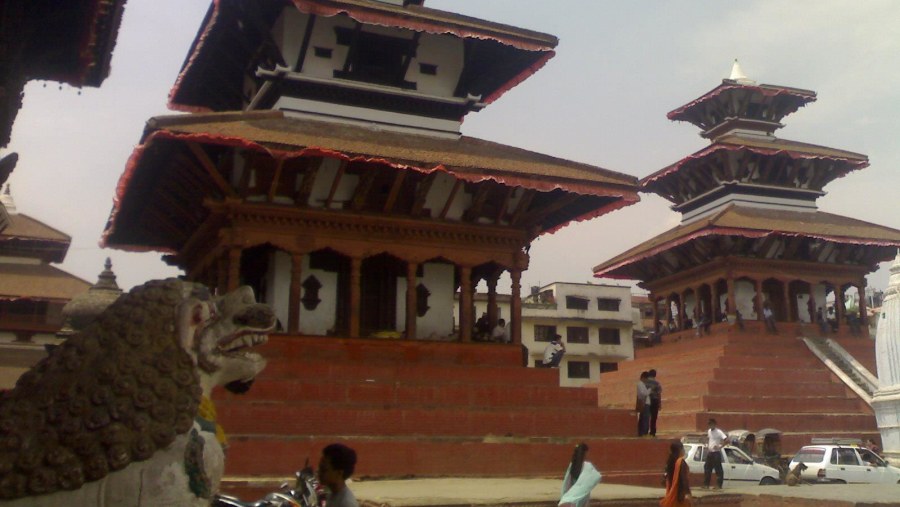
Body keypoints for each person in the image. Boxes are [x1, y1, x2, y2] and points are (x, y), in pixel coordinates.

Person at [559, 443, 602, 507]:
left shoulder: (572, 465)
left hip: (573, 491)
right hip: (583, 492)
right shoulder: (587, 466)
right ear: (585, 453)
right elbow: (597, 476)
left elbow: (568, 481)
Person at [318, 443, 359, 507]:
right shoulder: (332, 494)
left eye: (324, 470)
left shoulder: (346, 503)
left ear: (339, 473)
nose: (319, 473)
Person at [660, 440, 692, 507]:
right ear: (680, 450)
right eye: (683, 448)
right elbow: (684, 479)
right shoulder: (681, 462)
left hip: (671, 493)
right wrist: (687, 493)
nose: (684, 450)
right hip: (680, 494)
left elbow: (664, 478)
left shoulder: (670, 462)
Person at [703, 418, 727, 490]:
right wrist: (707, 445)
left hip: (716, 453)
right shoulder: (709, 431)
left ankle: (719, 485)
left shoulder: (719, 432)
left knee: (718, 469)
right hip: (710, 452)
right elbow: (709, 439)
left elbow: (726, 440)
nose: (710, 425)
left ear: (714, 424)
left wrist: (720, 446)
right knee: (707, 467)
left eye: (711, 424)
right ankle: (706, 485)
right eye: (709, 424)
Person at [646, 369, 662, 437]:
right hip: (654, 401)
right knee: (654, 418)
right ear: (655, 375)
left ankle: (644, 431)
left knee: (646, 417)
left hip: (646, 401)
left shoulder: (644, 382)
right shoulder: (657, 383)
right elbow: (659, 394)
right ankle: (652, 432)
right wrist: (659, 404)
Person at [636, 371, 651, 437]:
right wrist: (649, 391)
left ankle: (642, 433)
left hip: (645, 403)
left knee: (643, 418)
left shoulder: (642, 384)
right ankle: (644, 433)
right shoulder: (640, 384)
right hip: (644, 403)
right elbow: (643, 394)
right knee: (645, 419)